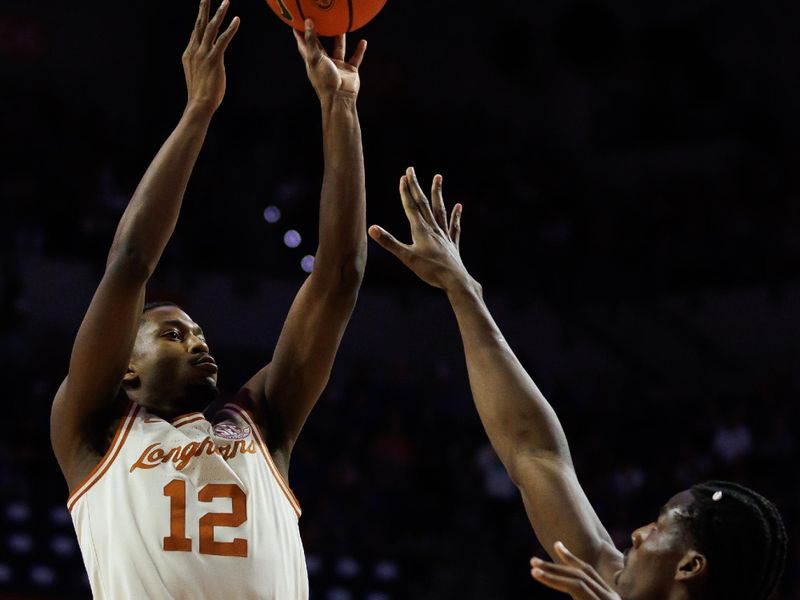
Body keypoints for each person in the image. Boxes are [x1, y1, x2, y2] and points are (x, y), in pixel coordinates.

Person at [50, 0, 368, 596]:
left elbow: (339, 277)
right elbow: (130, 263)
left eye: (198, 333)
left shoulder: (262, 425)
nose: (199, 343)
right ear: (125, 369)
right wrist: (198, 110)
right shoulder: (92, 436)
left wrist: (340, 105)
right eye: (173, 334)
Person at [368, 168, 788, 600]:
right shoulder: (606, 576)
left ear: (690, 565)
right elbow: (534, 450)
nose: (638, 534)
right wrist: (462, 292)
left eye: (661, 526)